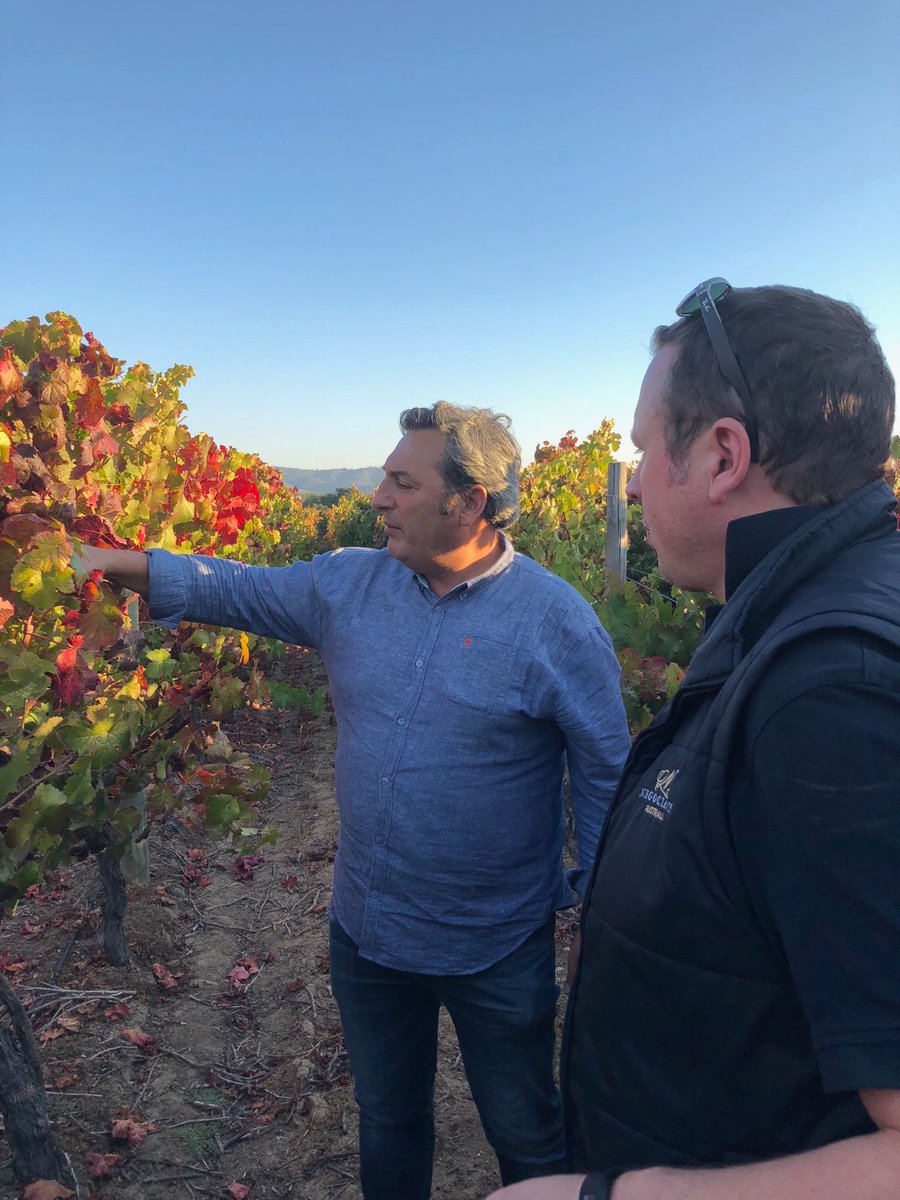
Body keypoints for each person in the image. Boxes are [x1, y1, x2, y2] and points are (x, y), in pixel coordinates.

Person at [80, 400, 630, 1200]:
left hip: (498, 945)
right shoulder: (347, 583)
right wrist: (100, 559)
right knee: (389, 1117)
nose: (378, 495)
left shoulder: (556, 625)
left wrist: (598, 920)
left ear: (468, 501)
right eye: (382, 477)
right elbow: (231, 588)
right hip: (368, 932)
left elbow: (610, 781)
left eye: (402, 482)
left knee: (523, 1127)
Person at [485, 280, 900, 1200]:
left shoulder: (835, 694)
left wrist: (609, 1197)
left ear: (722, 457)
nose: (630, 480)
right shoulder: (799, 616)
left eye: (640, 447)